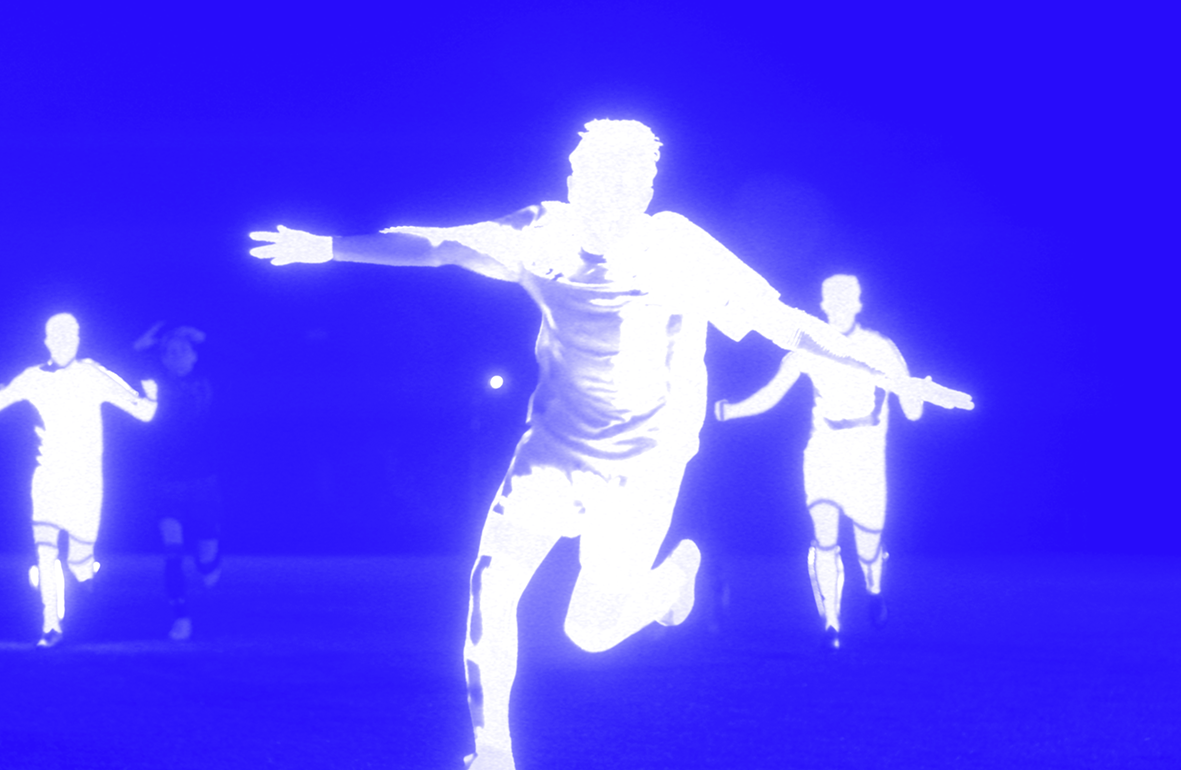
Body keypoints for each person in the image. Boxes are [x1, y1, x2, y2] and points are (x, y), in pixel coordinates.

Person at [249, 120, 970, 769]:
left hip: (645, 464)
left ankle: (671, 579)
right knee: (491, 586)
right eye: (577, 172)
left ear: (639, 190)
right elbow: (440, 245)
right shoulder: (542, 232)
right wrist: (329, 248)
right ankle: (493, 752)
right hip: (552, 449)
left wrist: (893, 377)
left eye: (600, 178)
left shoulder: (678, 249)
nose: (580, 186)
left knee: (589, 634)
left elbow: (784, 325)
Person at [715, 274, 964, 650]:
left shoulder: (880, 347)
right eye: (832, 300)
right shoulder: (809, 345)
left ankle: (874, 588)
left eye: (846, 300)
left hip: (865, 453)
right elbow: (771, 393)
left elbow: (911, 405)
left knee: (867, 544)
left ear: (858, 304)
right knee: (825, 536)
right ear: (823, 304)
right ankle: (831, 622)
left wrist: (917, 395)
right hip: (824, 450)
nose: (838, 307)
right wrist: (729, 411)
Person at [0, 313, 158, 648]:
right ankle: (50, 625)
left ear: (78, 340)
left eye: (70, 336)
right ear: (46, 341)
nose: (64, 343)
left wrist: (152, 396)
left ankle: (82, 575)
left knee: (79, 564)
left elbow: (143, 412)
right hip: (47, 479)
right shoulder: (32, 378)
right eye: (57, 337)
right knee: (45, 551)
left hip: (85, 484)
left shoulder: (92, 374)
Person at [133, 322, 223, 641]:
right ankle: (181, 617)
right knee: (173, 551)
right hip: (166, 481)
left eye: (183, 350)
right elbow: (122, 370)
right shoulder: (155, 384)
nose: (177, 356)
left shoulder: (209, 381)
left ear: (195, 356)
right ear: (162, 358)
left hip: (203, 479)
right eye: (170, 352)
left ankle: (209, 562)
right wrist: (142, 346)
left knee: (207, 552)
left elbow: (238, 358)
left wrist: (204, 337)